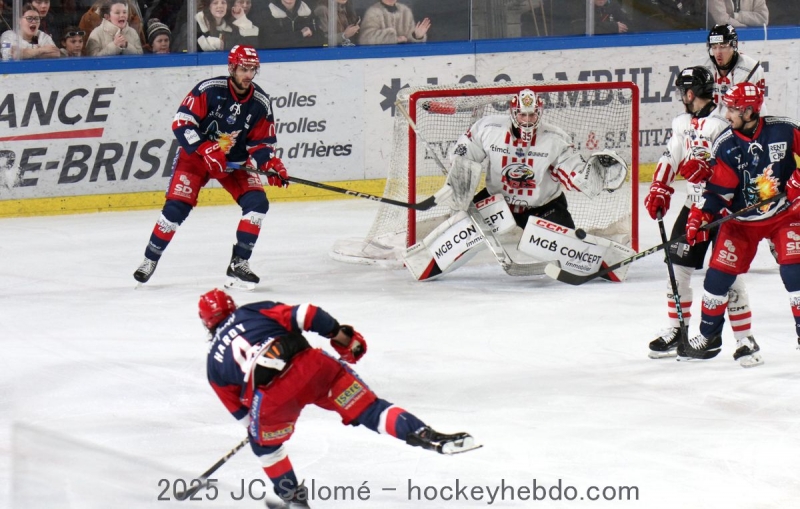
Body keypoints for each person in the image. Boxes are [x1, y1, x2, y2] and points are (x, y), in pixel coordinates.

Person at [200, 288, 477, 507]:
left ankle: (294, 501)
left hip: (272, 399)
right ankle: (427, 435)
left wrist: (257, 430)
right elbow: (307, 314)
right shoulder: (252, 311)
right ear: (232, 306)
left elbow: (241, 415)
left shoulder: (213, 364)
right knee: (370, 409)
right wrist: (337, 333)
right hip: (314, 367)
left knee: (266, 449)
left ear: (207, 324)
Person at [403, 89, 629, 280]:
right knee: (459, 234)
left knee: (573, 252)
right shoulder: (489, 129)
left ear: (539, 114)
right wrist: (458, 179)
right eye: (523, 115)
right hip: (497, 202)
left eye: (532, 116)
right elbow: (465, 153)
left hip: (544, 207)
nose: (527, 120)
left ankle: (610, 267)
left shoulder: (554, 139)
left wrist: (595, 176)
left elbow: (572, 174)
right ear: (513, 113)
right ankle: (424, 263)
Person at [133, 45, 288, 290]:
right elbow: (181, 122)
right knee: (175, 209)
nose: (248, 75)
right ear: (232, 68)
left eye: (252, 69)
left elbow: (262, 142)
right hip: (196, 158)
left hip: (233, 163)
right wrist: (206, 148)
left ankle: (239, 263)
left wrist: (271, 163)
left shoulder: (260, 101)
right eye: (243, 69)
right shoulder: (209, 90)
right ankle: (149, 259)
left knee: (258, 203)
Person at [679, 83, 800, 363]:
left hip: (784, 215)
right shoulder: (726, 144)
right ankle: (709, 337)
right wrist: (703, 215)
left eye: (733, 108)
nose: (727, 113)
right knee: (716, 278)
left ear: (749, 110)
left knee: (795, 273)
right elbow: (721, 191)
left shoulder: (782, 129)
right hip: (742, 222)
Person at [644, 66, 756, 363]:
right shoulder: (682, 122)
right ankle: (676, 331)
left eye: (683, 91)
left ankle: (745, 341)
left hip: (722, 208)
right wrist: (659, 187)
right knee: (677, 270)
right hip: (693, 206)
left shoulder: (722, 123)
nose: (681, 96)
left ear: (690, 93)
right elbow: (672, 154)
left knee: (728, 276)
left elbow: (736, 163)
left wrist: (709, 173)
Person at [704, 24, 766, 113]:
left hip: (743, 120)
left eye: (722, 47)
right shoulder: (703, 67)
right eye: (714, 47)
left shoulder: (750, 69)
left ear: (735, 45)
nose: (718, 53)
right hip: (714, 121)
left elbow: (747, 110)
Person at [79, 0, 146, 54]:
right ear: (107, 16)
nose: (122, 15)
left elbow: (140, 55)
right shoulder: (96, 34)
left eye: (124, 12)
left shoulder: (133, 32)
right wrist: (114, 46)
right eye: (117, 13)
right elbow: (92, 60)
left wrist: (126, 46)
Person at [252, 0, 323, 49]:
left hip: (305, 58)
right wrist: (300, 34)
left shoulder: (308, 9)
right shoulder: (266, 11)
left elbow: (319, 40)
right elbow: (269, 42)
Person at [359, 0, 429, 45]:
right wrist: (393, 39)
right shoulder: (373, 12)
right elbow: (365, 39)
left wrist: (417, 36)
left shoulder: (405, 11)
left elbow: (410, 39)